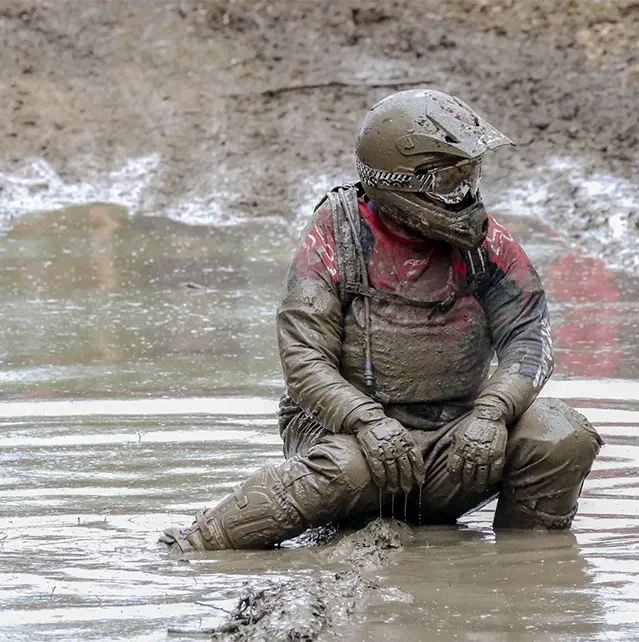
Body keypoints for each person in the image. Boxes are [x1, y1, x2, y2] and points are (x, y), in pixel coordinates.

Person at [159, 89, 602, 552]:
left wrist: (493, 411)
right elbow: (304, 359)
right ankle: (195, 543)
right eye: (447, 182)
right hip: (344, 436)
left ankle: (528, 561)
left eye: (469, 177)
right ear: (398, 182)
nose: (464, 195)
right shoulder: (335, 237)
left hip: (459, 435)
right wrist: (367, 421)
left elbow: (530, 337)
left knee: (562, 435)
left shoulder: (488, 244)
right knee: (346, 468)